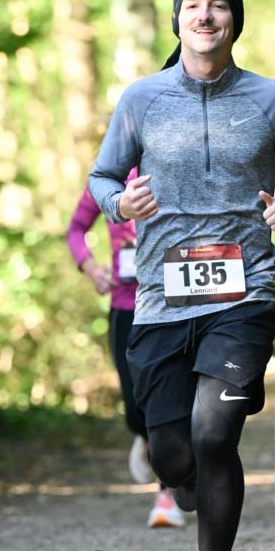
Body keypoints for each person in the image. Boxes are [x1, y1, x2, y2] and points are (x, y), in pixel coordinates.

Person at [89, 0, 275, 551]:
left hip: (243, 292)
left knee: (213, 434)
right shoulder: (142, 99)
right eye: (193, 6)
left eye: (218, 6)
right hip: (159, 298)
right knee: (172, 454)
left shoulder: (270, 99)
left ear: (234, 20)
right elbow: (101, 175)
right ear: (177, 21)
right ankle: (195, 488)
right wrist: (120, 201)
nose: (205, 16)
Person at [66, 170, 186, 528]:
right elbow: (75, 230)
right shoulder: (109, 177)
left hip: (175, 305)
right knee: (136, 408)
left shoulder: (177, 162)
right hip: (125, 307)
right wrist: (89, 267)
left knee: (169, 401)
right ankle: (144, 432)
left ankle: (167, 495)